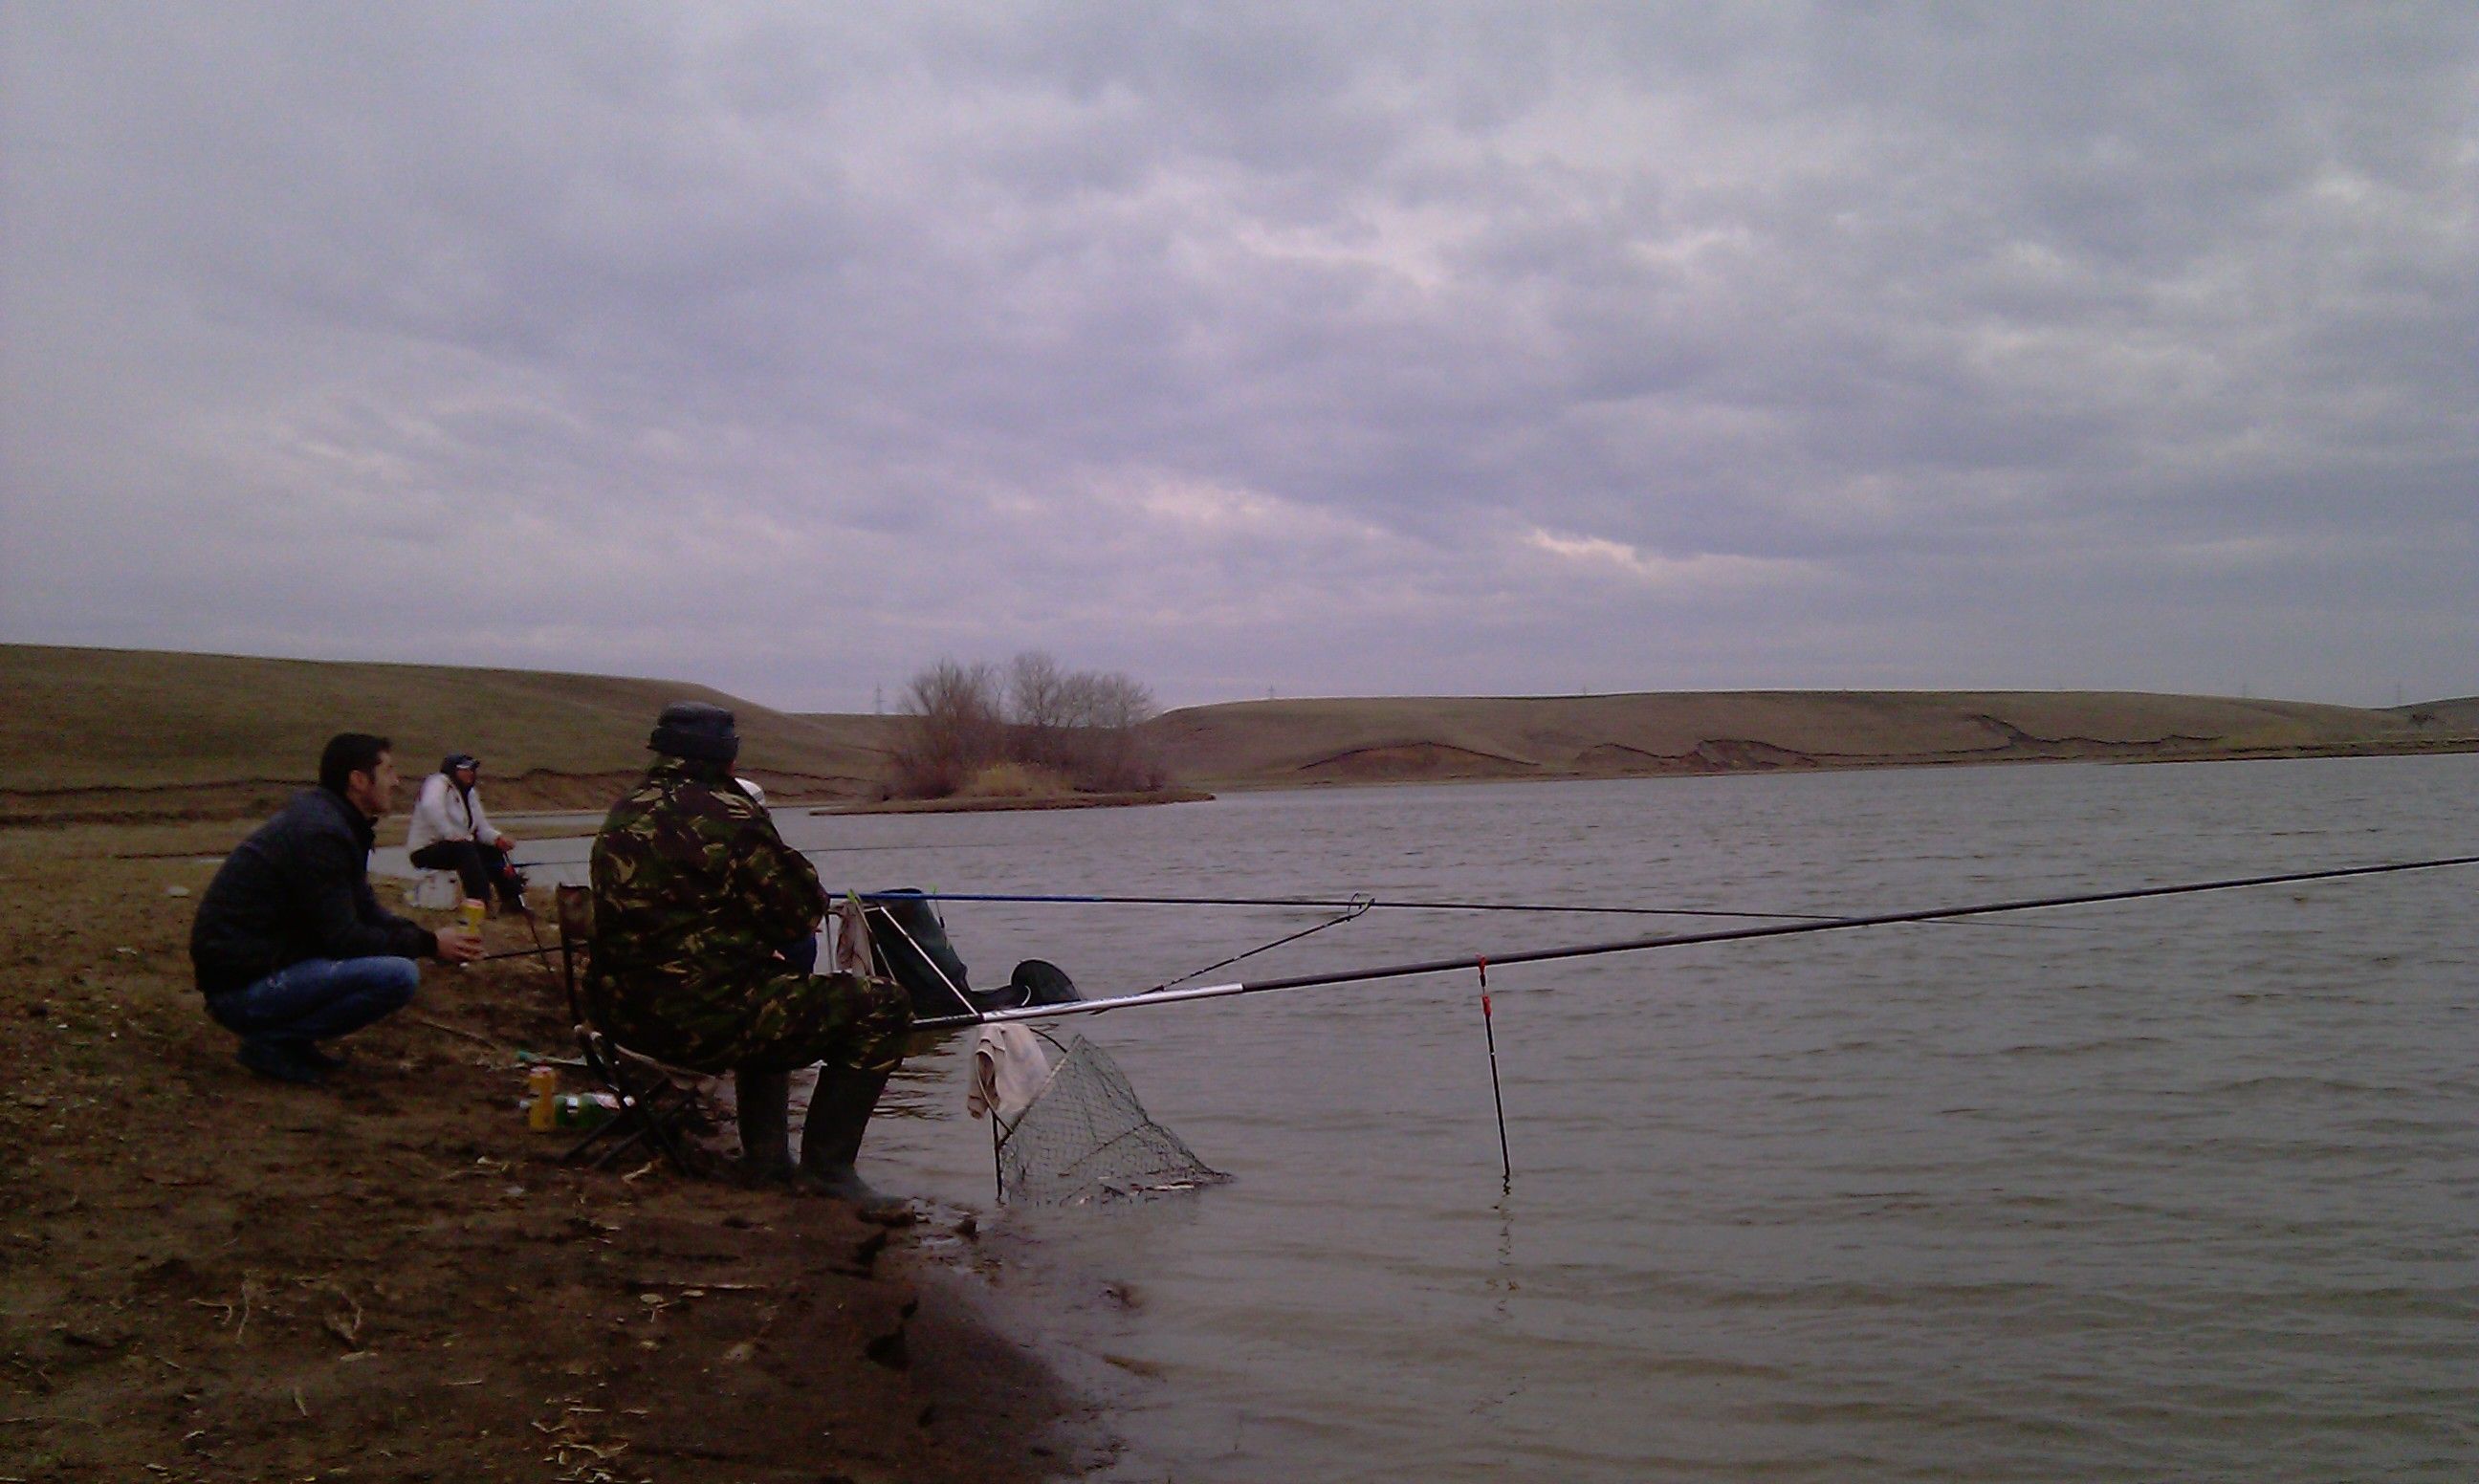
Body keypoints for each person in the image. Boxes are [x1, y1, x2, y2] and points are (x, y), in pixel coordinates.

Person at [587, 702, 911, 1212]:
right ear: (726, 757)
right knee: (884, 1005)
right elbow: (803, 912)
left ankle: (767, 1162)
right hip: (700, 1023)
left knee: (768, 982)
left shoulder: (623, 810)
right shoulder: (731, 815)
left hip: (621, 1020)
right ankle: (826, 1170)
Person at [190, 732, 486, 1084]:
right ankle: (273, 1042)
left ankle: (290, 1043)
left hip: (261, 970)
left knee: (394, 964)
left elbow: (367, 911)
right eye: (388, 771)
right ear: (358, 780)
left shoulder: (335, 824)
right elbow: (344, 938)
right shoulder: (322, 834)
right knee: (397, 976)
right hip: (241, 989)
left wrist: (431, 941)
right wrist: (428, 945)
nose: (396, 781)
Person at [407, 753, 527, 915]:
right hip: (425, 849)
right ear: (452, 770)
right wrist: (450, 834)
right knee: (465, 849)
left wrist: (497, 838)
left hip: (456, 847)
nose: (470, 773)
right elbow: (430, 807)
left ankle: (512, 901)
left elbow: (481, 828)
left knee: (492, 850)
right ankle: (480, 904)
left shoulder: (470, 794)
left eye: (472, 770)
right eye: (464, 769)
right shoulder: (438, 782)